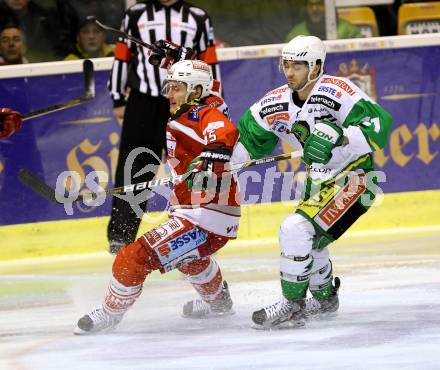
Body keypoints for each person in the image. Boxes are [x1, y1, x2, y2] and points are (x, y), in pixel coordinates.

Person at [231, 35, 392, 329]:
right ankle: (325, 297)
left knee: (294, 228)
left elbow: (379, 125)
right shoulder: (274, 102)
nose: (290, 72)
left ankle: (293, 306)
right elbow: (247, 142)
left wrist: (341, 136)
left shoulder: (339, 91)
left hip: (356, 180)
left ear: (316, 67)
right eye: (286, 65)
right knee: (312, 241)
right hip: (318, 183)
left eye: (298, 66)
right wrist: (218, 166)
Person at [74, 60, 239, 334]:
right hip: (197, 213)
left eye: (176, 88)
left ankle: (109, 315)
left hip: (205, 219)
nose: (168, 94)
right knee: (190, 259)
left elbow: (225, 131)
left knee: (132, 258)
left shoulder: (203, 113)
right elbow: (210, 92)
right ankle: (219, 302)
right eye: (169, 86)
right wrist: (175, 61)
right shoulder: (190, 109)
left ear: (196, 91)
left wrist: (215, 151)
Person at [107, 0, 220, 254]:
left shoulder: (198, 17)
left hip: (186, 100)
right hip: (143, 101)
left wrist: (211, 97)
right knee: (134, 165)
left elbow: (209, 59)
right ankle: (121, 236)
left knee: (190, 165)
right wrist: (117, 97)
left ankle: (197, 229)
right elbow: (123, 55)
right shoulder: (136, 13)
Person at [285, 0, 362, 41]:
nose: (315, 9)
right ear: (305, 8)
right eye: (311, 5)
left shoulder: (349, 31)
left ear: (329, 6)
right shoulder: (295, 35)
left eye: (319, 4)